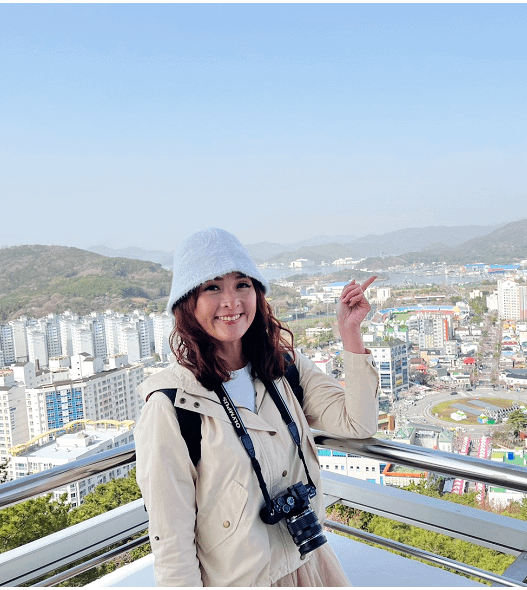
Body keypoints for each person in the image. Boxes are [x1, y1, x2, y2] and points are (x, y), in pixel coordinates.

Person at [135, 227, 379, 587]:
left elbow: (358, 423)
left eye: (242, 285)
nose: (231, 302)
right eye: (212, 287)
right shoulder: (172, 405)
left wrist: (350, 334)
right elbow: (171, 541)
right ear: (188, 302)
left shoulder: (284, 367)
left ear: (258, 294)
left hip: (310, 565)